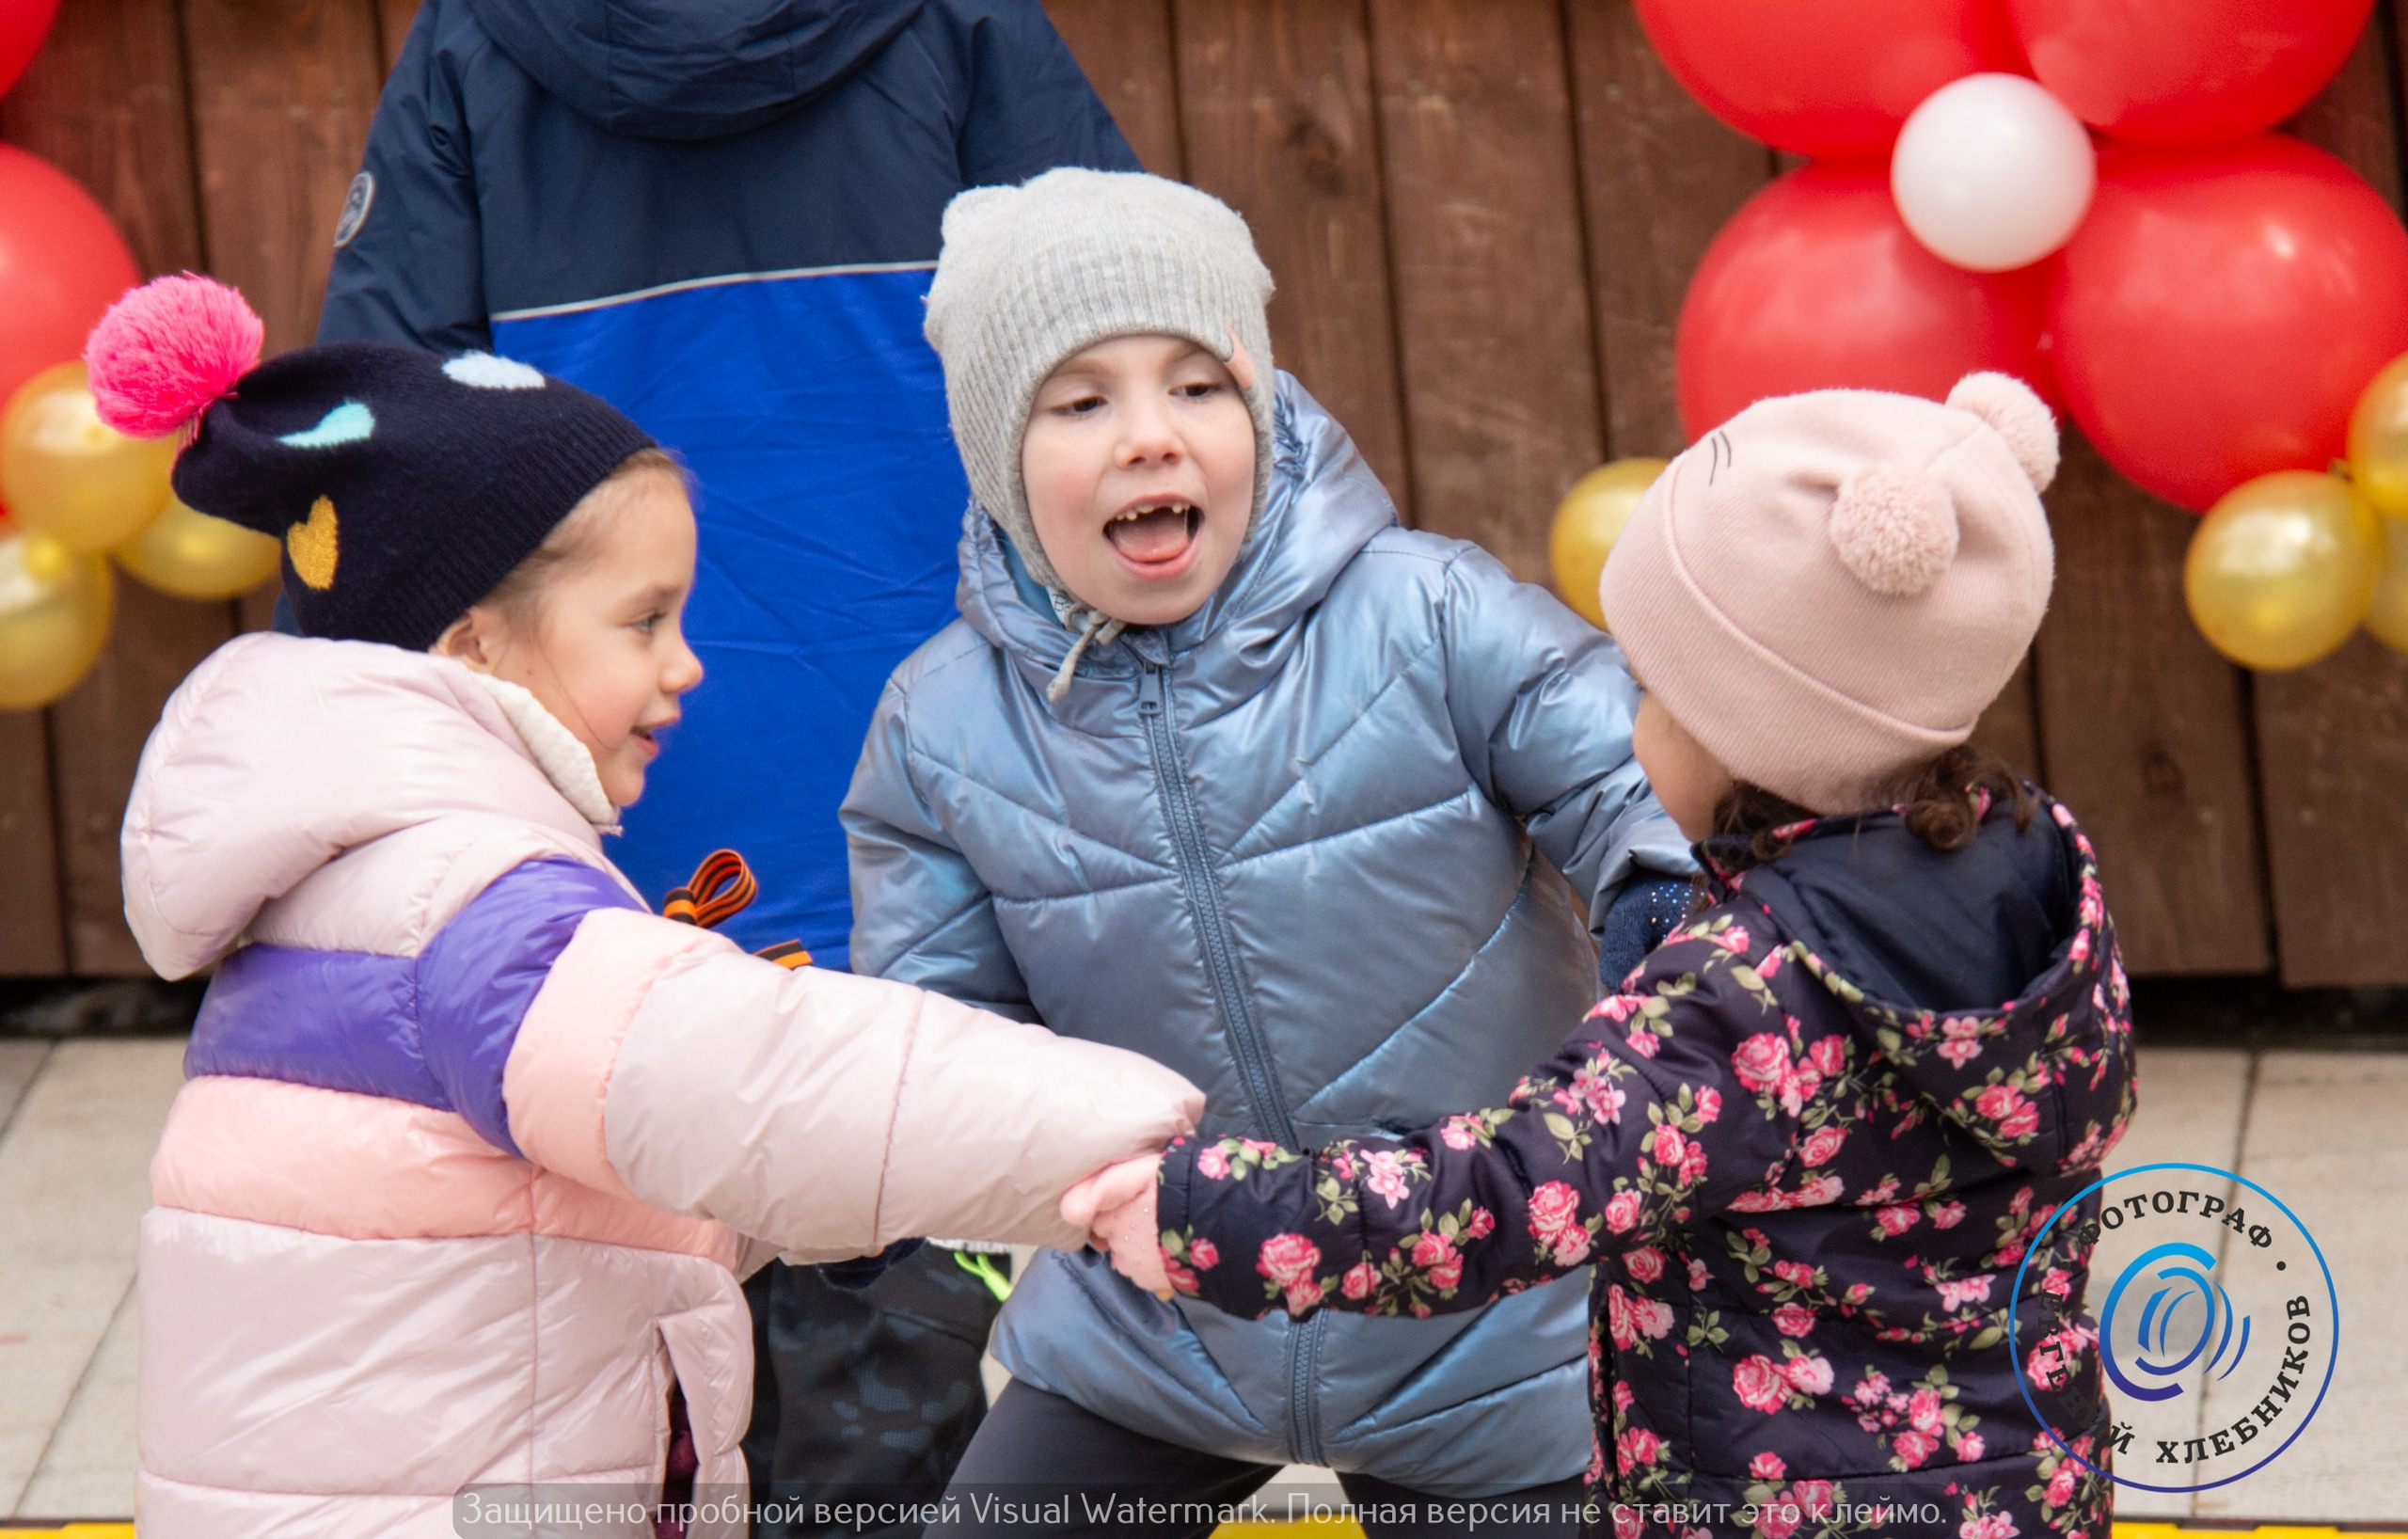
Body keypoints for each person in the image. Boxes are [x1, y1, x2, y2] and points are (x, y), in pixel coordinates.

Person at [89, 275, 1201, 1538]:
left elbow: (566, 1205)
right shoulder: (471, 917)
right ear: (474, 650)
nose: (687, 665)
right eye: (643, 621)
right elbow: (769, 1083)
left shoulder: (351, 889)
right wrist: (1144, 1154)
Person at [315, 2, 1148, 1503]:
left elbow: (378, 465)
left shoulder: (471, 48)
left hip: (587, 868)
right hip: (916, 827)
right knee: (877, 1413)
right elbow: (1134, 354)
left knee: (595, 1417)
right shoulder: (959, 26)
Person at [1077, 374, 2138, 1539]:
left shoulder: (1743, 993)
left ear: (1741, 722)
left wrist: (1201, 1213)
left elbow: (1496, 1199)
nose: (1627, 714)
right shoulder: (2038, 874)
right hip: (2027, 1487)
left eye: (1648, 683)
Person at [840, 168, 1696, 1535]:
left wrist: (1662, 899)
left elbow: (1615, 762)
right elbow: (936, 1027)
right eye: (1080, 402)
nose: (1149, 438)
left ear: (1262, 403)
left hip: (1482, 1307)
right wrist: (983, 1153)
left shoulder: (1422, 611)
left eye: (1198, 385)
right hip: (1154, 1330)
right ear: (1001, 458)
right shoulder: (942, 726)